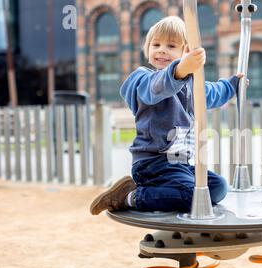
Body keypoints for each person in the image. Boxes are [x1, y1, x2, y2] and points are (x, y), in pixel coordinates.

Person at [90, 16, 247, 215]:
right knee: (193, 196)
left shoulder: (193, 85)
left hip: (179, 164)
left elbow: (213, 93)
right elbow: (159, 86)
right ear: (147, 50)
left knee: (218, 187)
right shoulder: (144, 80)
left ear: (185, 51)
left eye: (171, 46)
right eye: (156, 44)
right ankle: (129, 197)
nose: (162, 50)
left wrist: (233, 85)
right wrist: (181, 68)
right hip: (152, 163)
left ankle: (151, 192)